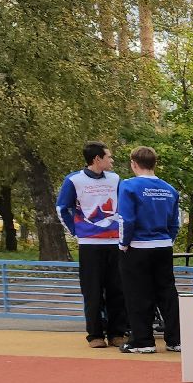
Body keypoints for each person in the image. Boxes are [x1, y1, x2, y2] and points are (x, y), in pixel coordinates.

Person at [54, 142, 128, 348]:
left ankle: (117, 333)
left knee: (117, 289)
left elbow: (124, 206)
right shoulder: (74, 180)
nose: (112, 160)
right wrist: (76, 232)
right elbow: (62, 208)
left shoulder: (116, 179)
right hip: (89, 244)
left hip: (115, 242)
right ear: (97, 159)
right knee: (92, 290)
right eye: (109, 157)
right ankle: (95, 335)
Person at [115, 146, 182, 355]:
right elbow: (175, 223)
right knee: (167, 293)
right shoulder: (169, 189)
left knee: (137, 293)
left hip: (138, 246)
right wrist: (166, 240)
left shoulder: (128, 186)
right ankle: (176, 339)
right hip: (163, 246)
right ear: (154, 163)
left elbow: (126, 219)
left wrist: (123, 244)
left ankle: (143, 340)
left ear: (134, 163)